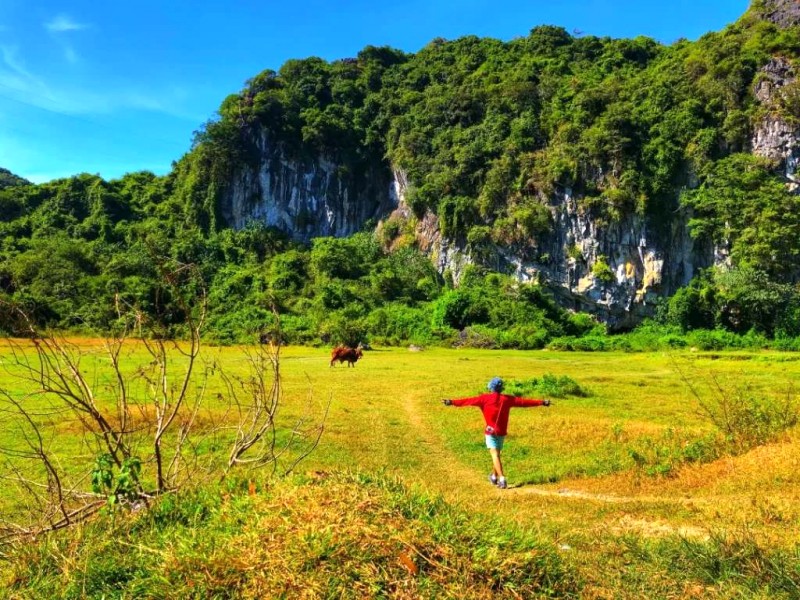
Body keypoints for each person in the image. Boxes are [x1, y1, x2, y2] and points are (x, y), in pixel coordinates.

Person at [442, 377, 550, 489]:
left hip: (490, 431)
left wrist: (451, 402)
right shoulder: (507, 399)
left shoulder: (484, 398)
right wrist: (542, 402)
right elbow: (524, 402)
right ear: (501, 388)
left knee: (494, 454)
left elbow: (468, 401)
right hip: (502, 431)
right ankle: (494, 477)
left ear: (490, 387)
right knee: (497, 454)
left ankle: (502, 479)